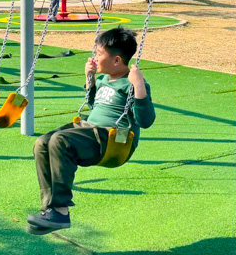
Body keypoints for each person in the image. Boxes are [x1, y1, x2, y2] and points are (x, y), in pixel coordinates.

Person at [27, 26, 156, 233]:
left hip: (112, 139)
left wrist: (139, 86)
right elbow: (94, 105)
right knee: (42, 143)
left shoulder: (131, 84)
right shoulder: (104, 78)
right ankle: (50, 210)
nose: (95, 57)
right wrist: (90, 79)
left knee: (60, 141)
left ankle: (60, 210)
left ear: (116, 60)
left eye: (100, 54)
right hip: (89, 129)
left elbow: (146, 120)